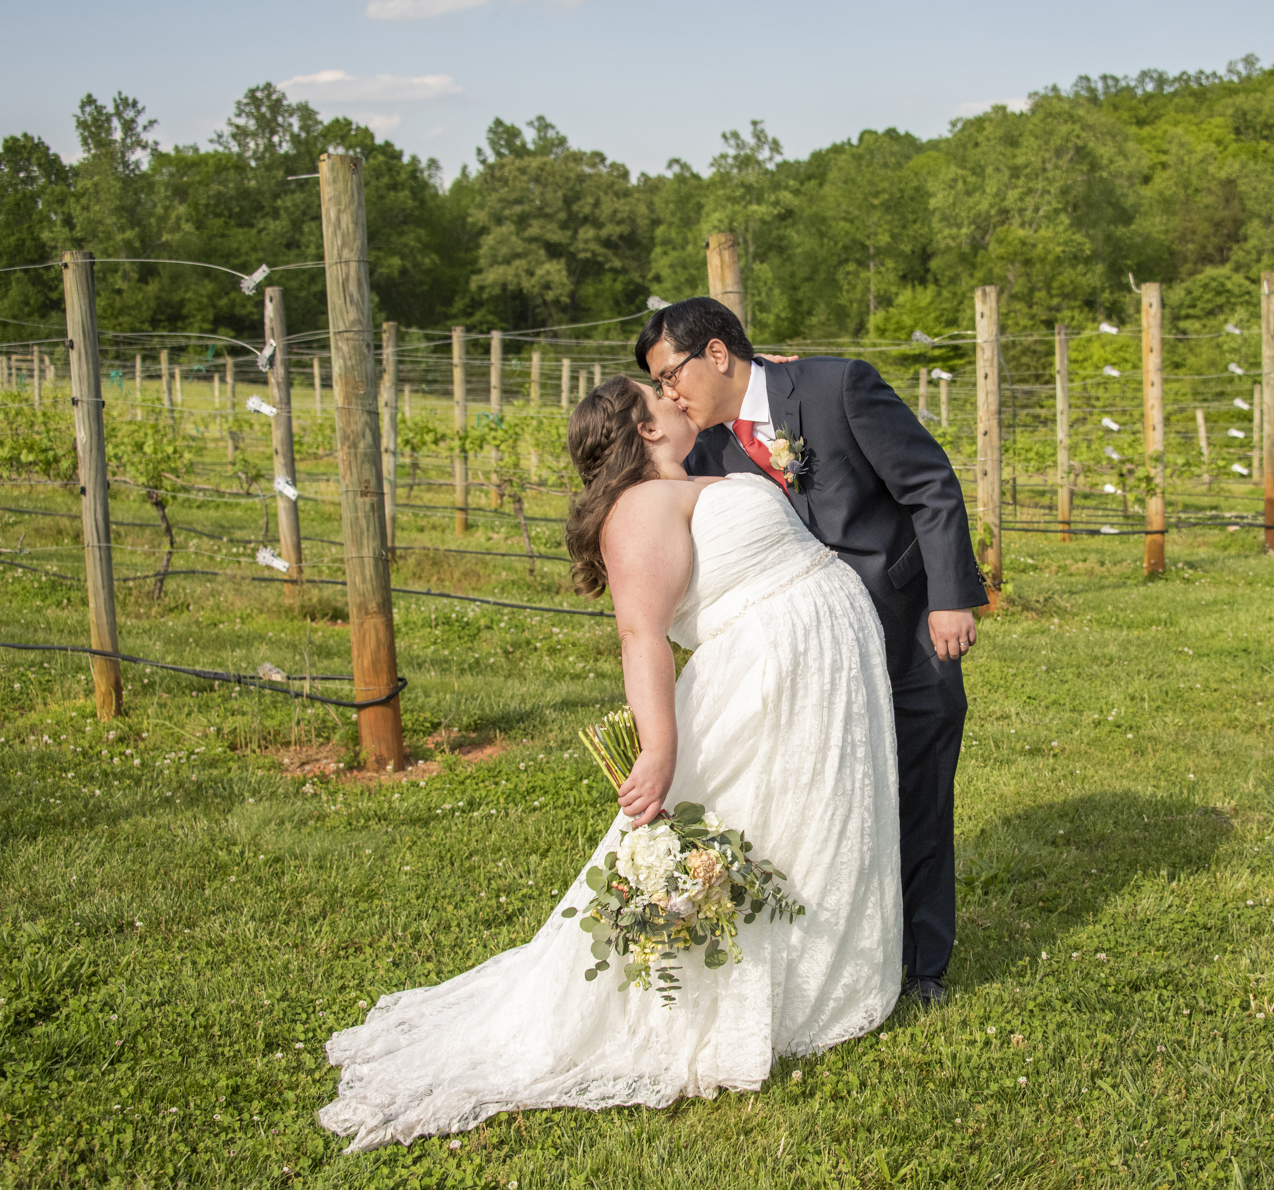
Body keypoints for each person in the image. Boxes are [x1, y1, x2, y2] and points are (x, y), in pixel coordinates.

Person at [318, 377, 901, 1152]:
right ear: (641, 425)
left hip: (817, 669)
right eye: (655, 394)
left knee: (813, 818)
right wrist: (659, 748)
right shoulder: (636, 510)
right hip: (766, 676)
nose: (672, 394)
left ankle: (821, 970)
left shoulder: (695, 477)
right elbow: (642, 635)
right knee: (757, 823)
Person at [639, 297, 985, 1006]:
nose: (669, 393)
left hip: (903, 627)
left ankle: (922, 967)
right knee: (836, 805)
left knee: (918, 792)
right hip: (809, 668)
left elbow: (930, 485)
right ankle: (838, 961)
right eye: (658, 385)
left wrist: (950, 596)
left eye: (671, 374)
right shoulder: (703, 453)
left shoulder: (837, 387)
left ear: (715, 352)